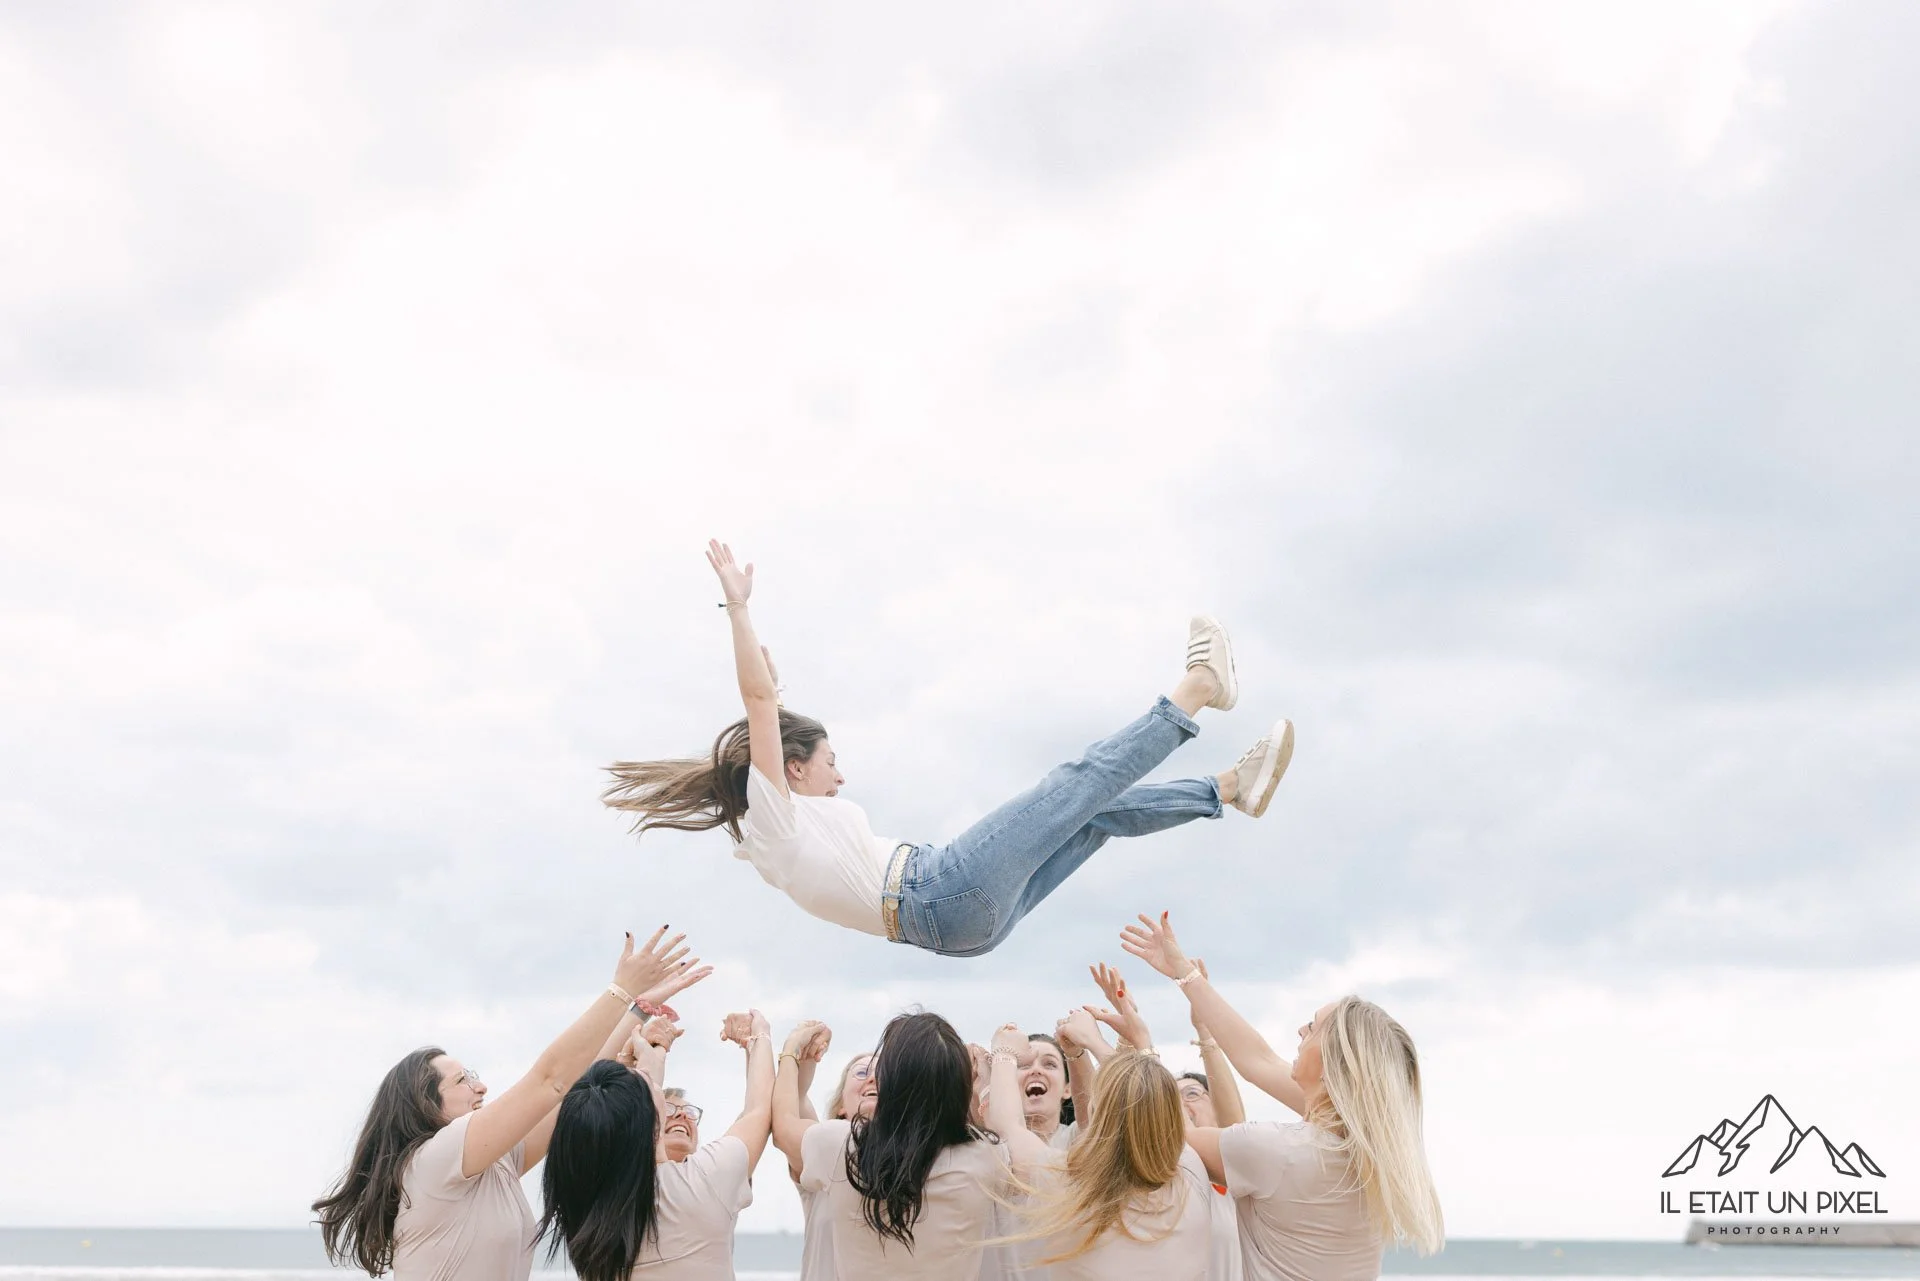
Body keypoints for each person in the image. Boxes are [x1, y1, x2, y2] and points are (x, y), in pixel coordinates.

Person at [602, 542, 1294, 956]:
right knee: (1077, 782)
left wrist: (776, 697)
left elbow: (767, 712)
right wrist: (741, 612)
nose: (841, 777)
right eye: (831, 761)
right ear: (793, 769)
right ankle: (1199, 686)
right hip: (938, 889)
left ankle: (1231, 788)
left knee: (1094, 813)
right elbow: (757, 706)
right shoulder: (771, 817)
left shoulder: (774, 834)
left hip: (955, 926)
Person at [312, 930, 710, 1281]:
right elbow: (549, 1080)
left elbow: (571, 1089)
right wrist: (620, 991)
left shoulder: (495, 1163)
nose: (481, 1086)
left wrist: (639, 1010)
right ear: (423, 1103)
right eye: (463, 1079)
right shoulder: (435, 1159)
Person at [1120, 913, 1444, 1280]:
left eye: (1314, 1026)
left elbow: (1165, 1132)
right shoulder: (1363, 1148)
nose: (1301, 1029)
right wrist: (1185, 974)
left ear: (1334, 1063)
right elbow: (1256, 1059)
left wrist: (1142, 1047)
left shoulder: (1278, 1151)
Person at [538, 1009, 777, 1279]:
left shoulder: (584, 1205)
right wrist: (759, 1036)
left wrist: (633, 1062)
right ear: (653, 1122)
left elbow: (607, 1119)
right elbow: (758, 1110)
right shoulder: (701, 1185)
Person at [775, 1011, 1013, 1278]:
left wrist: (791, 1051)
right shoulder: (985, 1158)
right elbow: (1007, 1130)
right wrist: (989, 1073)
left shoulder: (844, 1147)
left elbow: (784, 1127)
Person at [985, 1024, 1212, 1281]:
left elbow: (1008, 1126)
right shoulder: (1193, 1172)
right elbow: (1151, 1101)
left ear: (1098, 1113)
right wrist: (1094, 1043)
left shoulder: (1068, 1184)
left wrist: (1003, 1053)